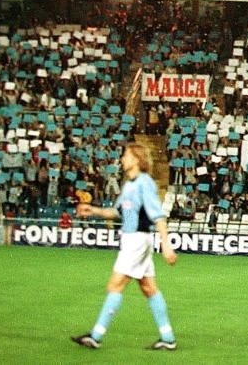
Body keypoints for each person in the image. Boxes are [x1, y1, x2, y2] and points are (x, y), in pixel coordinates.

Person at [71, 143, 178, 351]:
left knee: (115, 285)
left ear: (137, 159)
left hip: (137, 240)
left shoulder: (145, 183)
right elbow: (117, 212)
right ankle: (168, 338)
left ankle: (95, 336)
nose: (122, 159)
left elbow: (158, 215)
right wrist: (92, 210)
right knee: (149, 288)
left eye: (126, 156)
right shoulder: (129, 185)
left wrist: (166, 245)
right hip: (135, 240)